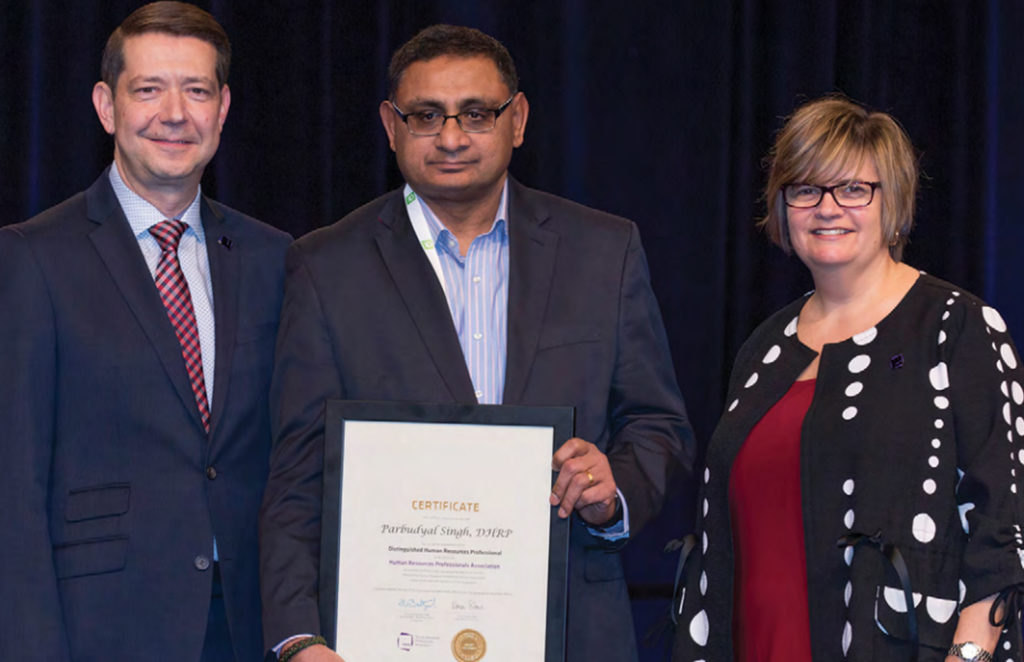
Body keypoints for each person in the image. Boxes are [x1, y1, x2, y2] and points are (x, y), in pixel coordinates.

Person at [259, 23, 694, 662]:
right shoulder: (325, 266)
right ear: (390, 126)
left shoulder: (605, 251)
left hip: (572, 630)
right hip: (385, 639)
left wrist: (613, 489)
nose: (453, 137)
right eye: (427, 116)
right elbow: (297, 476)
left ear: (517, 120)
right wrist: (299, 639)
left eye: (477, 114)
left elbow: (659, 425)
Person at [672, 95, 1024, 661]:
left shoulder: (955, 327)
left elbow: (1004, 526)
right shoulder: (764, 345)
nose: (827, 208)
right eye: (805, 189)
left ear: (894, 203)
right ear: (782, 206)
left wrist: (972, 655)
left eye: (853, 189)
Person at [0, 3, 291, 661]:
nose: (174, 113)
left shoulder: (276, 257)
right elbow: (12, 486)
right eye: (148, 89)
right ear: (106, 106)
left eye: (196, 90)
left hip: (249, 623)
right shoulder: (32, 258)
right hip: (101, 625)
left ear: (223, 108)